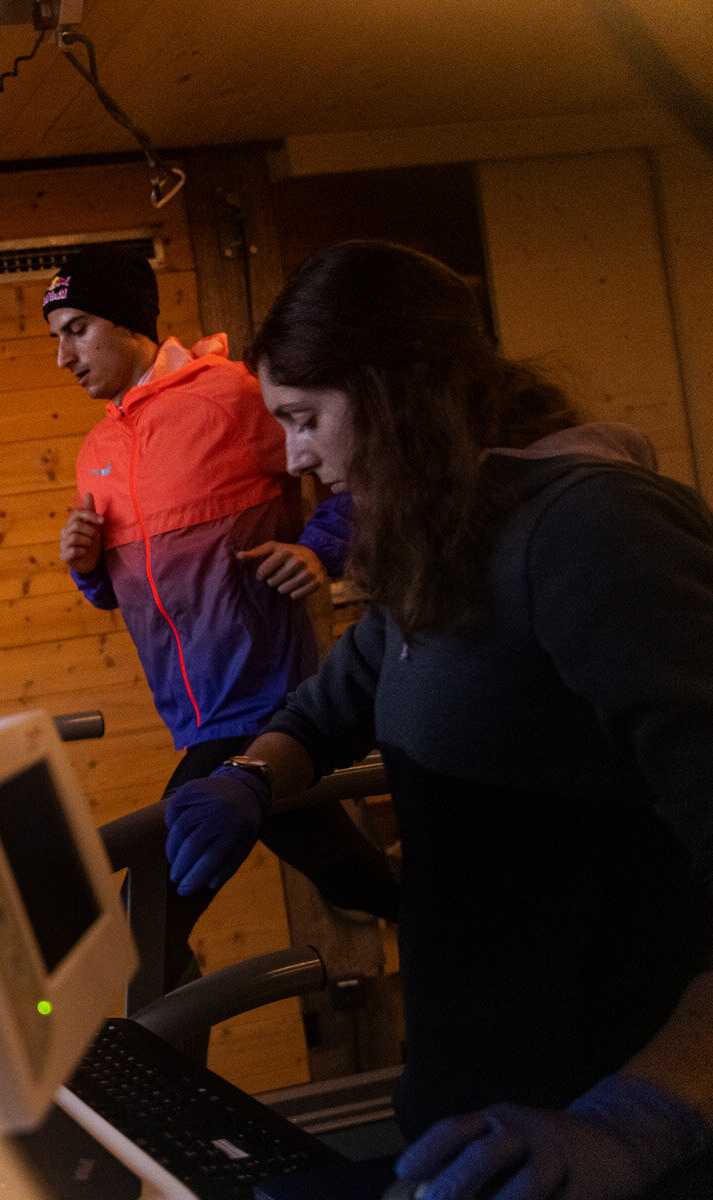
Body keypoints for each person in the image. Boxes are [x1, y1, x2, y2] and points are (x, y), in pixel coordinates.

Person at [165, 240, 713, 1197]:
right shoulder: (443, 547)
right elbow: (328, 709)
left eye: (302, 417)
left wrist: (649, 1115)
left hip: (593, 1144)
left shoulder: (594, 535)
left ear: (392, 396)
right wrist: (251, 779)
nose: (294, 455)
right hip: (464, 1124)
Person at [42, 245, 397, 994]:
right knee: (355, 878)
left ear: (129, 323)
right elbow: (120, 591)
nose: (64, 355)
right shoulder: (98, 448)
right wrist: (85, 565)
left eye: (76, 329)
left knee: (149, 912)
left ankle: (160, 1091)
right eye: (57, 337)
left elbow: (364, 477)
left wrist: (318, 552)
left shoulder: (231, 397)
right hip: (191, 710)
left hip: (267, 702)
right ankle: (486, 925)